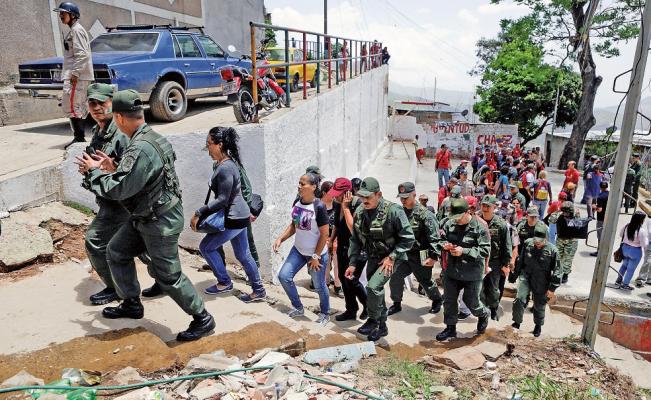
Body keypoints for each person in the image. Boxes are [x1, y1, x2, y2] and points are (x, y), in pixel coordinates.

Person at [75, 89, 215, 342]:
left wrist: (93, 171)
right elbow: (140, 178)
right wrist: (113, 168)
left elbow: (119, 190)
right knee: (117, 251)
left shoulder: (140, 148)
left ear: (119, 117)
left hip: (160, 221)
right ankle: (131, 303)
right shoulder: (151, 138)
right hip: (146, 215)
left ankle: (202, 318)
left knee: (169, 276)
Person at [193, 127, 266, 302]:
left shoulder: (226, 167)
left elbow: (223, 199)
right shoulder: (224, 164)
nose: (207, 148)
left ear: (220, 144)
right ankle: (258, 289)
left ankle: (224, 282)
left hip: (234, 217)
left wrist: (199, 212)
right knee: (243, 254)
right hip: (239, 215)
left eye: (209, 144)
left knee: (206, 247)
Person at [346, 177, 415, 341]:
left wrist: (392, 257)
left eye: (368, 197)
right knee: (375, 292)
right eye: (362, 196)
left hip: (392, 257)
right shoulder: (360, 212)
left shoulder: (394, 211)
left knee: (373, 286)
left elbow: (408, 239)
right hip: (373, 256)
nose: (364, 200)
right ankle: (382, 327)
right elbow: (355, 240)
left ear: (379, 194)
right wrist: (353, 263)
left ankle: (373, 320)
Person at [79, 83, 129, 306]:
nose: (97, 107)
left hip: (120, 202)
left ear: (113, 103)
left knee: (95, 241)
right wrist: (88, 169)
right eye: (92, 103)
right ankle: (164, 279)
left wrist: (103, 169)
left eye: (102, 102)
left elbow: (130, 172)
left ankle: (115, 288)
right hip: (108, 198)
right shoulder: (98, 131)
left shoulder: (121, 134)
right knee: (139, 245)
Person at [273, 174, 331, 325]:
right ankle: (298, 307)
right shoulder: (297, 202)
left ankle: (325, 313)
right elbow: (294, 225)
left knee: (319, 286)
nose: (299, 186)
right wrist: (281, 238)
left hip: (316, 255)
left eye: (303, 184)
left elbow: (325, 234)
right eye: (299, 183)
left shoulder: (319, 207)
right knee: (284, 276)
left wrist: (315, 256)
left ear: (313, 187)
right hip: (298, 250)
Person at [435, 198, 491, 341]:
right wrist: (445, 245)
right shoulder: (449, 223)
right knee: (449, 300)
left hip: (472, 273)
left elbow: (485, 250)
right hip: (452, 270)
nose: (456, 220)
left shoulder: (480, 227)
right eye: (454, 217)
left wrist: (464, 251)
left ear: (467, 212)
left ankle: (483, 314)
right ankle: (450, 328)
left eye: (459, 217)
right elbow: (440, 239)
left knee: (471, 302)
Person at [388, 182, 443, 316]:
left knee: (425, 280)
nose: (403, 200)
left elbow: (434, 237)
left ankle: (437, 299)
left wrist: (433, 257)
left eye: (406, 197)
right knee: (395, 276)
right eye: (401, 198)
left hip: (421, 254)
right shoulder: (400, 213)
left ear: (414, 195)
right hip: (405, 253)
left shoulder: (425, 215)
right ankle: (396, 303)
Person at [53, 2, 94, 149]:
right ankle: (79, 137)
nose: (60, 16)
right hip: (76, 74)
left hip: (77, 75)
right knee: (75, 105)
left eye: (63, 13)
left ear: (72, 15)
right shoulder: (74, 30)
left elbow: (82, 54)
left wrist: (75, 73)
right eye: (60, 14)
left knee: (72, 105)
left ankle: (79, 138)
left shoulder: (77, 30)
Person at [510, 225, 562, 337]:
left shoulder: (552, 250)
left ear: (546, 239)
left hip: (541, 280)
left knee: (539, 304)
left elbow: (558, 271)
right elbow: (521, 260)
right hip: (526, 276)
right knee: (519, 298)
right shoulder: (528, 244)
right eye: (536, 241)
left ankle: (538, 325)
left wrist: (552, 288)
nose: (537, 243)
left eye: (540, 241)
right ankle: (517, 322)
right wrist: (514, 274)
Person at [329, 178, 368, 321]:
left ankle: (368, 305)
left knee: (352, 279)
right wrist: (331, 240)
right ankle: (351, 309)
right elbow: (337, 224)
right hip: (342, 247)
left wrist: (346, 208)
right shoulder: (337, 203)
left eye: (338, 193)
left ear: (347, 193)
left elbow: (354, 230)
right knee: (342, 278)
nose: (334, 196)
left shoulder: (358, 204)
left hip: (357, 250)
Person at [480, 195, 512, 321]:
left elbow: (507, 245)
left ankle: (493, 309)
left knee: (493, 289)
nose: (485, 208)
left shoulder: (501, 224)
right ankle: (483, 310)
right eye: (483, 205)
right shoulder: (476, 221)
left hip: (495, 262)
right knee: (479, 288)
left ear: (494, 207)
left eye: (488, 206)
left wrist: (506, 264)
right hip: (479, 260)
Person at [320, 181, 343, 297]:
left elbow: (340, 222)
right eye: (331, 192)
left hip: (336, 239)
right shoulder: (318, 205)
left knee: (337, 263)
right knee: (325, 263)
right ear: (324, 192)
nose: (334, 194)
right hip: (322, 239)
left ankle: (338, 286)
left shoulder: (337, 204)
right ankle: (326, 283)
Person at [615, 211, 648, 290]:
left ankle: (618, 280)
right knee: (630, 269)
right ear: (641, 220)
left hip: (625, 248)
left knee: (624, 265)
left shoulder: (627, 226)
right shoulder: (641, 230)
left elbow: (621, 234)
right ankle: (625, 284)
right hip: (635, 251)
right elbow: (644, 244)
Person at [555, 201, 580, 284]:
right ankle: (557, 273)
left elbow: (579, 226)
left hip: (571, 241)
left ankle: (565, 274)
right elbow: (550, 220)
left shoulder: (575, 216)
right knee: (558, 257)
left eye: (567, 212)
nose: (565, 214)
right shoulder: (560, 215)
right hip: (560, 239)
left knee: (568, 258)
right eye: (564, 212)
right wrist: (558, 213)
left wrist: (576, 216)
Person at [590, 181, 609, 256]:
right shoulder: (610, 194)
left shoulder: (600, 197)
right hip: (608, 218)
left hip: (601, 218)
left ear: (600, 187)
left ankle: (599, 251)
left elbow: (600, 209)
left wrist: (594, 207)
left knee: (600, 235)